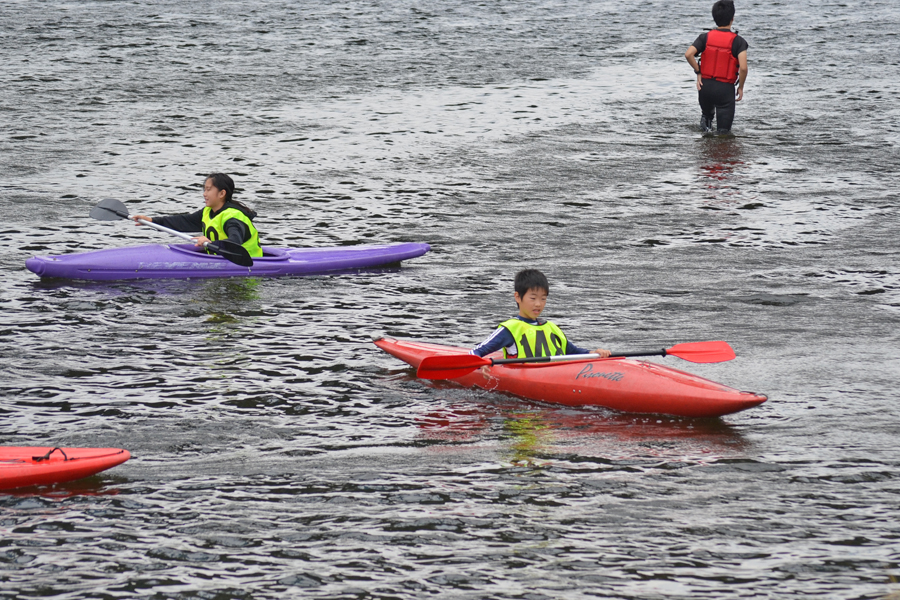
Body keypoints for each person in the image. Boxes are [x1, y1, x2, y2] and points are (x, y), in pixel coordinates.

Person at [470, 269, 611, 360]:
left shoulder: (551, 327)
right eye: (533, 298)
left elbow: (572, 351)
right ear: (518, 297)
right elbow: (475, 352)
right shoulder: (510, 329)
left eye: (543, 299)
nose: (538, 304)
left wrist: (596, 353)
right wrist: (481, 363)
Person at [133, 173, 263, 258]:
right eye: (204, 189)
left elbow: (235, 241)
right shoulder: (208, 211)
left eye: (208, 189)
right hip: (221, 259)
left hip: (251, 263)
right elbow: (182, 221)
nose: (204, 194)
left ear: (222, 193)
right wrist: (151, 220)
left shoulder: (233, 217)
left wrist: (212, 243)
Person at [684, 0, 748, 134]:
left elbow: (689, 54)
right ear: (732, 18)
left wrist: (698, 72)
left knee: (706, 122)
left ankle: (704, 148)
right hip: (724, 91)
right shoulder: (738, 41)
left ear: (714, 18)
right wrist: (740, 87)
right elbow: (743, 68)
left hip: (705, 87)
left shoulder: (704, 37)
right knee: (723, 134)